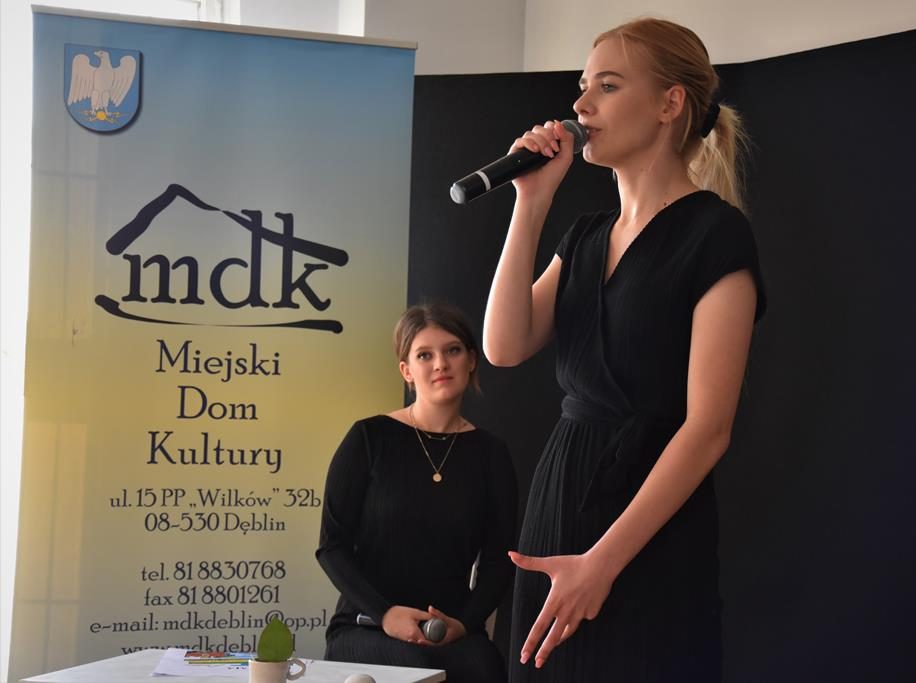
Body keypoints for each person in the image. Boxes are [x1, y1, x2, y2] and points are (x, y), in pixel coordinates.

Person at [483, 18, 768, 682]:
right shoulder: (586, 235)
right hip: (560, 502)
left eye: (607, 87)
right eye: (583, 86)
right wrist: (531, 202)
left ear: (671, 103)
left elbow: (709, 428)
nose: (580, 105)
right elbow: (503, 345)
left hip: (646, 532)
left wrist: (601, 563)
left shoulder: (716, 235)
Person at [316, 302, 518, 683]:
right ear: (407, 371)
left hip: (452, 630)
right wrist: (385, 614)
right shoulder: (368, 438)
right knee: (418, 667)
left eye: (452, 350)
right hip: (367, 625)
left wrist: (464, 623)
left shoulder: (492, 454)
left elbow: (499, 561)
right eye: (425, 355)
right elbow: (331, 547)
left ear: (471, 360)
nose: (440, 364)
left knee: (486, 665)